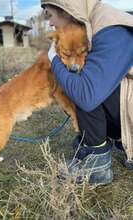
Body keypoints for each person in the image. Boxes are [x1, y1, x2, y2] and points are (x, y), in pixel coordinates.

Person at [40, 0, 133, 185]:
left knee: (83, 88)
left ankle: (97, 167)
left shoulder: (111, 29)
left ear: (66, 8)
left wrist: (54, 60)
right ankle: (120, 144)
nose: (49, 22)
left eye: (50, 15)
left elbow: (87, 96)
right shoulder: (93, 22)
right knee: (87, 80)